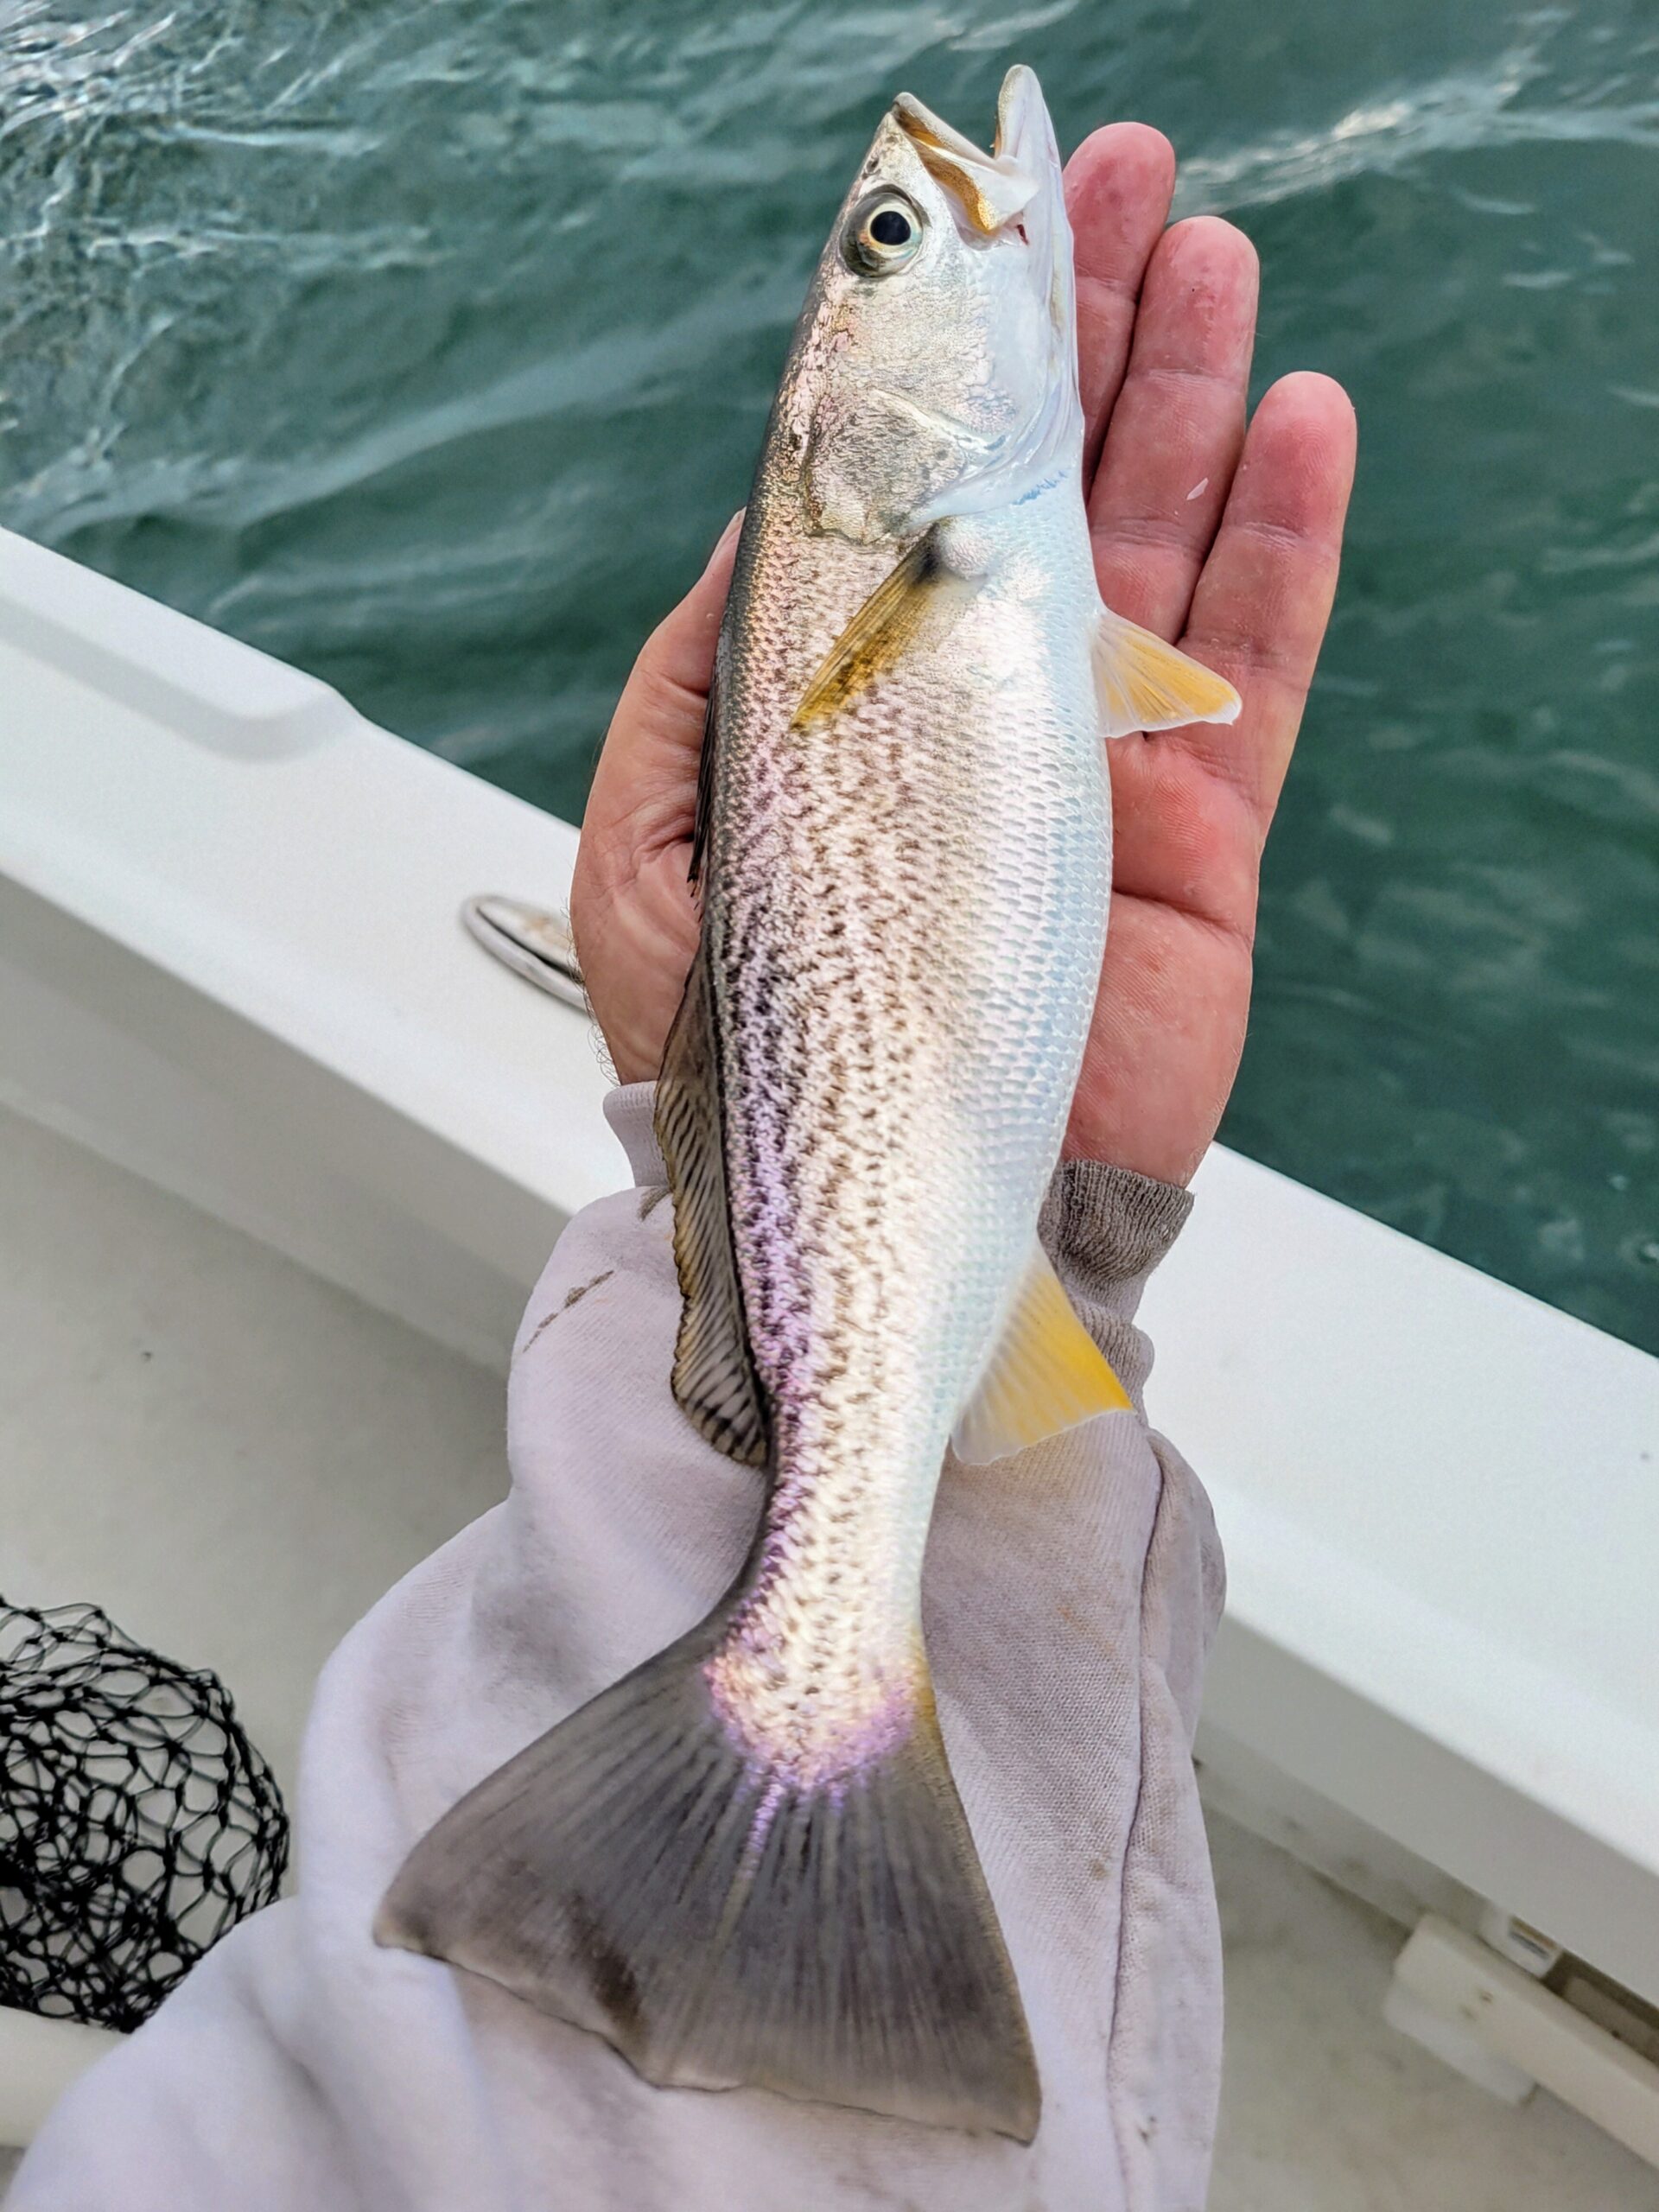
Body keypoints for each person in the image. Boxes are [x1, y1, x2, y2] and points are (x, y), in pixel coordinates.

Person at [10, 124, 1354, 2212]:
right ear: (844, 425)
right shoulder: (937, 550)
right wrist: (1046, 1265)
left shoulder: (953, 552)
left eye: (882, 230)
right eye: (894, 237)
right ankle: (809, 1712)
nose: (933, 213)